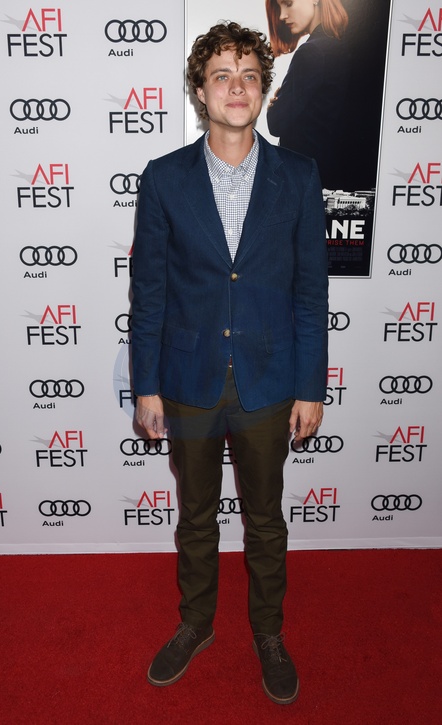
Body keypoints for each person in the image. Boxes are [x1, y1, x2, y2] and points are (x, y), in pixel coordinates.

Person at [131, 21, 328, 706]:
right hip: (187, 381)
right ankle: (196, 623)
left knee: (265, 519)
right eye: (222, 75)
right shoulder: (163, 179)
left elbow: (311, 292)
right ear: (200, 90)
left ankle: (269, 633)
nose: (236, 87)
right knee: (195, 515)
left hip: (270, 381)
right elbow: (149, 293)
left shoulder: (298, 176)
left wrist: (311, 385)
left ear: (263, 90)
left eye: (248, 75)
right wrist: (147, 385)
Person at [266, 0, 349, 189]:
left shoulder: (312, 52)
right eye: (279, 8)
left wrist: (274, 107)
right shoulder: (340, 47)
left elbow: (276, 123)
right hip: (335, 174)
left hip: (304, 177)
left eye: (288, 3)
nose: (281, 16)